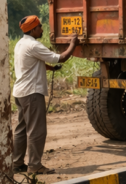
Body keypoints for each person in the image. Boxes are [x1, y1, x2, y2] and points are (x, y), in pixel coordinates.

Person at [12, 16, 78, 174]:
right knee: (36, 130)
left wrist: (51, 69)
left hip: (20, 93)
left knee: (22, 129)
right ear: (33, 29)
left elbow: (33, 63)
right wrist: (73, 44)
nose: (42, 29)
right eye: (40, 26)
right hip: (32, 93)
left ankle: (17, 163)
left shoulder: (20, 44)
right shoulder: (34, 45)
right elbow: (61, 57)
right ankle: (35, 166)